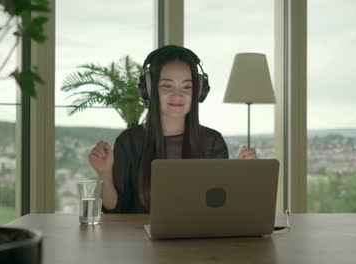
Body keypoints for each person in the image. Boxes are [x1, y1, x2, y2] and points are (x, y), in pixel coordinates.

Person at [88, 45, 257, 213]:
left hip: (199, 238)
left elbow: (221, 207)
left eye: (187, 87)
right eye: (167, 86)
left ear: (199, 91)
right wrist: (104, 174)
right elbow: (115, 208)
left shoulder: (212, 142)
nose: (178, 95)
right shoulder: (129, 142)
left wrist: (243, 178)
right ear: (150, 89)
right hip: (140, 239)